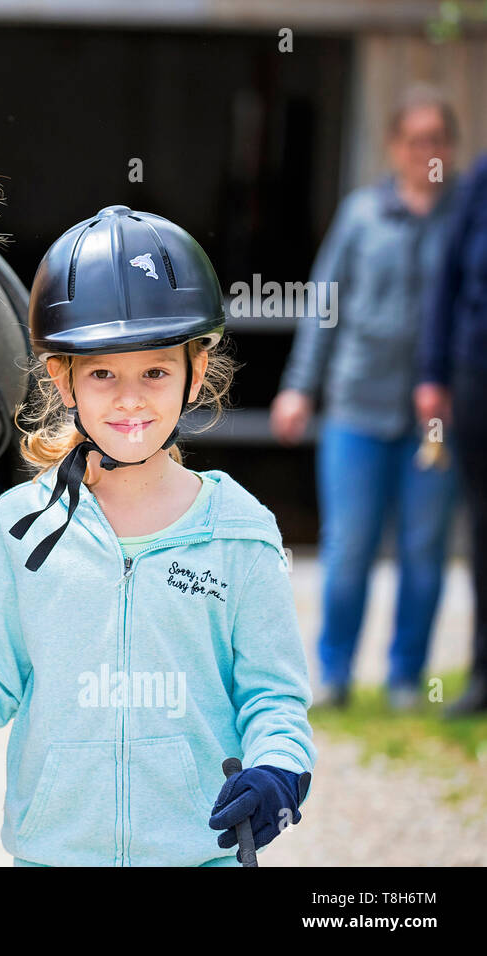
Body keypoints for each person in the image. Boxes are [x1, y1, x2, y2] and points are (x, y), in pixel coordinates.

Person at [0, 206, 315, 866]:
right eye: (104, 373)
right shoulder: (22, 526)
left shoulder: (241, 533)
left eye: (156, 373)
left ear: (195, 373)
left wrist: (279, 772)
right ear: (63, 380)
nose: (131, 400)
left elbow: (272, 696)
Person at [269, 84, 462, 711]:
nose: (424, 152)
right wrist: (300, 386)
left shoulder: (466, 218)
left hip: (436, 419)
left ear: (449, 148)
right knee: (349, 547)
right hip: (356, 407)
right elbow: (323, 307)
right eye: (414, 140)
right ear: (394, 145)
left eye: (436, 140)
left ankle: (408, 679)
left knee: (424, 551)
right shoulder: (361, 215)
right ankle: (336, 674)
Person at [418, 149, 487, 716]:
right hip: (478, 374)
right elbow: (448, 282)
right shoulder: (480, 178)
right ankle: (484, 673)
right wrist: (433, 374)